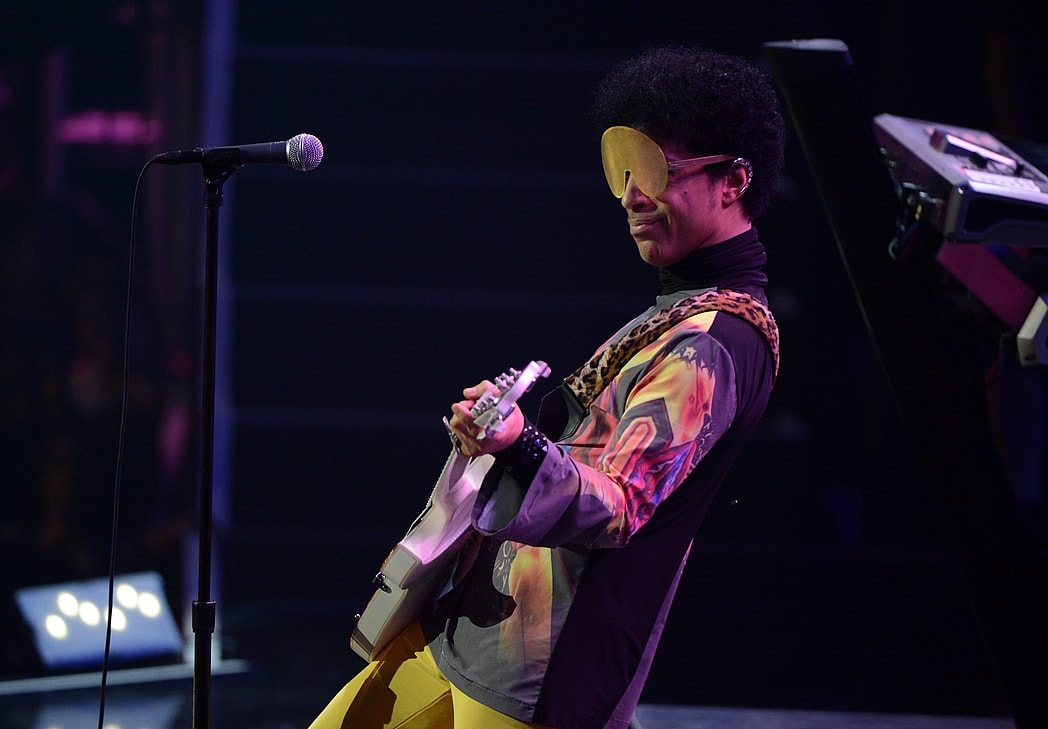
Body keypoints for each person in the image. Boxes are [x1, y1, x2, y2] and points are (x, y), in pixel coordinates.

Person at [308, 45, 786, 729]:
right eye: (622, 170)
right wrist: (505, 439)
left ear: (733, 179)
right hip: (461, 628)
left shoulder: (716, 338)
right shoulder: (680, 311)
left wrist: (520, 443)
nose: (630, 195)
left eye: (655, 170)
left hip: (537, 675)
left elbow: (620, 502)